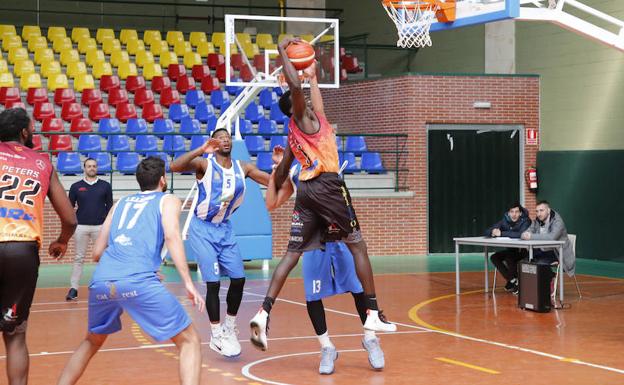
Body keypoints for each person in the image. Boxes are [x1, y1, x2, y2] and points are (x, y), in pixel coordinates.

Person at [250, 37, 396, 353]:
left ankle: (264, 311)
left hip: (306, 192)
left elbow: (316, 105)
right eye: (298, 95)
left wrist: (313, 77)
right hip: (328, 186)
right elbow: (294, 85)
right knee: (358, 244)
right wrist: (282, 53)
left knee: (291, 254)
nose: (301, 94)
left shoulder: (301, 131)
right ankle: (372, 313)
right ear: (295, 106)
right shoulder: (300, 117)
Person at [57, 157, 205, 385]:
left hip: (103, 281)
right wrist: (187, 281)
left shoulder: (120, 204)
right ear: (163, 180)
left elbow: (97, 253)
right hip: (138, 281)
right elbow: (172, 235)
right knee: (189, 340)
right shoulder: (168, 200)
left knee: (91, 341)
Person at [265, 155, 385, 374]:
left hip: (339, 239)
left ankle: (371, 338)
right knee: (313, 296)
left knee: (359, 290)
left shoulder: (331, 167)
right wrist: (278, 170)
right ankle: (326, 347)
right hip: (313, 243)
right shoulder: (295, 173)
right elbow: (272, 203)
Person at [170, 129, 273, 358]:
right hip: (202, 229)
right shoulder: (204, 165)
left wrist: (283, 169)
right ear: (214, 143)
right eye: (220, 137)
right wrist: (200, 149)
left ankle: (229, 326)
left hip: (224, 229)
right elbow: (175, 167)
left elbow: (269, 180)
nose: (225, 139)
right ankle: (216, 334)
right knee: (214, 283)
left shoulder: (242, 167)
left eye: (228, 137)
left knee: (239, 279)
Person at [0, 108, 77, 385]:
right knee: (16, 334)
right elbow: (69, 218)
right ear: (24, 133)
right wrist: (62, 241)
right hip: (22, 251)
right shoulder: (42, 163)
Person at [66, 158, 113, 301]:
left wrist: (107, 226)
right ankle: (73, 289)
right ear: (84, 168)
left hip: (100, 227)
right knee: (79, 258)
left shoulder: (105, 186)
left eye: (94, 166)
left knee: (103, 258)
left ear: (97, 168)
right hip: (81, 227)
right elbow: (69, 208)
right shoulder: (76, 186)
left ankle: (105, 286)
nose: (92, 168)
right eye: (89, 166)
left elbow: (110, 208)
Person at [486, 202, 531, 294]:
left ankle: (513, 282)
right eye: (512, 212)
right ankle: (513, 280)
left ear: (520, 213)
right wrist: (493, 231)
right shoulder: (505, 220)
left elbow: (521, 234)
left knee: (510, 258)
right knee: (494, 257)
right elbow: (487, 230)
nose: (514, 214)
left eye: (516, 212)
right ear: (508, 213)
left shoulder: (526, 221)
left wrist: (501, 233)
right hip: (511, 250)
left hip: (523, 251)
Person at [521, 200, 575, 274]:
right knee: (523, 264)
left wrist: (531, 236)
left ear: (548, 210)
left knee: (539, 265)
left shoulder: (558, 221)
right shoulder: (537, 220)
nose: (539, 214)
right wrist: (524, 234)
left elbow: (551, 237)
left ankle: (548, 281)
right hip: (543, 251)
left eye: (541, 210)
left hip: (558, 254)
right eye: (537, 211)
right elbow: (527, 232)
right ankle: (533, 284)